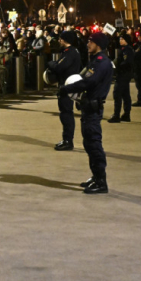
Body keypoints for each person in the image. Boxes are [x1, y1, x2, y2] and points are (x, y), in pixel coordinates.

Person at [58, 32, 113, 194]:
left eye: (91, 41)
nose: (88, 44)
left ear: (99, 44)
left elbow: (88, 82)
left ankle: (101, 181)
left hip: (93, 109)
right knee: (89, 144)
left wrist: (66, 90)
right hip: (88, 107)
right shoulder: (95, 61)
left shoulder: (101, 63)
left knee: (94, 144)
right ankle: (95, 176)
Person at [47, 31, 81, 151]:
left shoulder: (70, 53)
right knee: (66, 113)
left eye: (61, 39)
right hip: (69, 85)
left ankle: (68, 140)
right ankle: (66, 139)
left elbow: (59, 67)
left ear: (65, 40)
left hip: (67, 86)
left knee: (66, 113)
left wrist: (51, 63)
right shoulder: (71, 52)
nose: (59, 41)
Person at [108, 33, 134, 123]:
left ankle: (116, 115)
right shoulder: (124, 49)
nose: (120, 40)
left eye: (122, 39)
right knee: (125, 94)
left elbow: (127, 62)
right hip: (124, 74)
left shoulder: (127, 50)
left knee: (117, 94)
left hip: (123, 74)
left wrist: (117, 66)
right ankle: (126, 114)